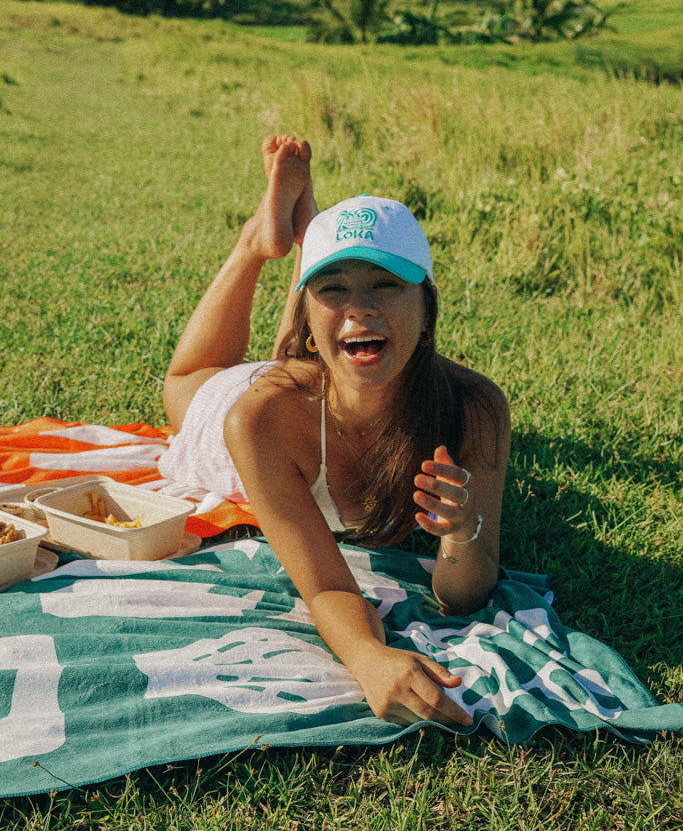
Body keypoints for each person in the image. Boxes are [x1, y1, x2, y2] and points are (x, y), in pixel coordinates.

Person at [161, 134, 510, 728]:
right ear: (311, 309)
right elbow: (324, 584)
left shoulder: (474, 408)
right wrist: (368, 656)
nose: (359, 309)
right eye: (333, 289)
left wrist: (462, 530)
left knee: (316, 353)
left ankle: (309, 237)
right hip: (244, 406)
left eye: (385, 285)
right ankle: (256, 243)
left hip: (318, 378)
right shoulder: (256, 417)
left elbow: (465, 593)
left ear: (427, 308)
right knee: (187, 381)